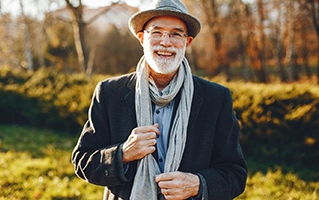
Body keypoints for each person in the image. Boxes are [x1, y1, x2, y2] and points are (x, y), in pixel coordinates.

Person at [71, 0, 247, 199]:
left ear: (187, 42)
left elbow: (235, 174)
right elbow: (82, 161)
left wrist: (197, 184)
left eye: (175, 34)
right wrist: (123, 154)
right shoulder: (110, 93)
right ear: (141, 39)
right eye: (156, 32)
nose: (165, 42)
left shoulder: (215, 98)